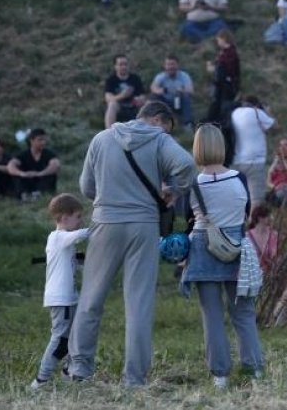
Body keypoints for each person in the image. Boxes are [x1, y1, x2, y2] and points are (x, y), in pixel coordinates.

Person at [69, 101, 196, 386]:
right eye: (166, 127)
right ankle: (134, 378)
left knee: (91, 298)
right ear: (155, 120)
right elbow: (187, 165)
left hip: (105, 222)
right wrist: (174, 191)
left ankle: (79, 369)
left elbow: (86, 187)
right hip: (143, 225)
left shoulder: (101, 138)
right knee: (139, 303)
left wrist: (107, 195)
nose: (166, 133)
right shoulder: (159, 138)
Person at [181, 124, 264, 389]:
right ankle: (253, 368)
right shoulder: (239, 178)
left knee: (212, 315)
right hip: (236, 246)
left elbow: (188, 219)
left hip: (203, 246)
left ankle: (220, 375)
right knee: (243, 313)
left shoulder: (193, 184)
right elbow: (247, 213)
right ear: (221, 145)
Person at [30, 193, 90, 389]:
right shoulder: (57, 237)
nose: (80, 221)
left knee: (74, 336)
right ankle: (41, 380)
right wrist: (100, 227)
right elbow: (81, 235)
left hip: (68, 298)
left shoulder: (64, 242)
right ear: (64, 218)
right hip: (61, 299)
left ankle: (68, 371)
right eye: (78, 217)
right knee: (60, 340)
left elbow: (76, 262)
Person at [230, 96, 275, 207]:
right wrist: (267, 113)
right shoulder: (257, 113)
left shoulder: (234, 113)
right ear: (256, 105)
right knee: (256, 200)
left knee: (238, 199)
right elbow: (274, 126)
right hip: (255, 161)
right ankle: (254, 223)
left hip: (237, 160)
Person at [7, 128, 60, 201]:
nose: (43, 143)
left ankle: (38, 194)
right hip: (27, 180)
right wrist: (22, 173)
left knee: (50, 175)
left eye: (44, 140)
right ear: (31, 141)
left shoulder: (48, 154)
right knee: (16, 176)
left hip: (41, 180)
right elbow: (11, 165)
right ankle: (24, 194)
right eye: (40, 140)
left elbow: (55, 165)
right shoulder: (23, 154)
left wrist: (40, 173)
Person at [150, 55, 194, 130]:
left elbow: (191, 90)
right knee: (154, 97)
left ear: (177, 65)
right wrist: (162, 90)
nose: (170, 67)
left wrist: (182, 90)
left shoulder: (184, 76)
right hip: (165, 103)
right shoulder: (161, 76)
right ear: (165, 66)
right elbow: (153, 88)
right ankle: (157, 123)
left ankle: (187, 124)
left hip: (179, 102)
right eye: (168, 64)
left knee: (186, 97)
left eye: (173, 64)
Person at [103, 54, 146, 129]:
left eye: (125, 64)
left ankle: (149, 131)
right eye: (120, 65)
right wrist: (122, 96)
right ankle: (109, 132)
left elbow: (143, 95)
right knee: (112, 104)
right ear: (115, 66)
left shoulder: (135, 78)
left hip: (134, 105)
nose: (123, 67)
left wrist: (139, 99)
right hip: (119, 106)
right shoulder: (111, 80)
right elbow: (108, 98)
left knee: (148, 104)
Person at [266, 137, 287, 206]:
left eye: (286, 145)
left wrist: (284, 160)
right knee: (280, 195)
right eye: (281, 145)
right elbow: (269, 179)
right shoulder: (276, 162)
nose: (283, 148)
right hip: (279, 189)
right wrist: (274, 187)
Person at [248, 205, 278, 275]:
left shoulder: (273, 235)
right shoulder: (247, 237)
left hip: (268, 275)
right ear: (260, 218)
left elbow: (274, 255)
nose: (272, 218)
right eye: (269, 216)